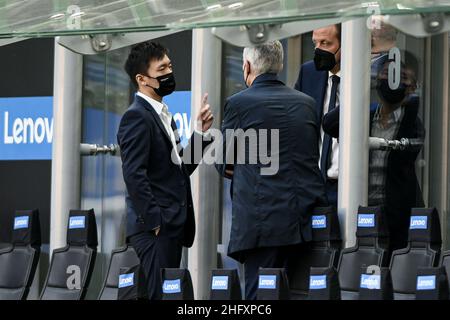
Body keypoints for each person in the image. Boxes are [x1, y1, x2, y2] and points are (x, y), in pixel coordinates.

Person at [216, 40, 327, 300]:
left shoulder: (239, 104)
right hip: (304, 224)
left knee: (260, 297)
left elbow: (224, 164)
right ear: (279, 64)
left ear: (246, 67)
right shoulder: (307, 103)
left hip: (262, 226)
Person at [117, 41, 213, 299]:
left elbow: (178, 170)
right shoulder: (136, 116)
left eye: (169, 66)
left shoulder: (162, 115)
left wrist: (202, 135)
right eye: (162, 69)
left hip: (170, 227)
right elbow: (134, 174)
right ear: (142, 79)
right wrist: (156, 222)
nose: (169, 73)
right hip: (154, 230)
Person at [323, 51, 425, 252]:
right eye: (387, 73)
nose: (392, 82)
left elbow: (407, 153)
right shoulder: (365, 116)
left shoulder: (412, 123)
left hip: (395, 218)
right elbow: (329, 124)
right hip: (361, 212)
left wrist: (410, 97)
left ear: (412, 86)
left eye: (402, 78)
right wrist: (361, 89)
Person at [294, 24, 341, 207]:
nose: (318, 50)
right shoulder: (309, 72)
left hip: (351, 184)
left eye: (325, 43)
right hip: (315, 187)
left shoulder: (363, 76)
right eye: (315, 43)